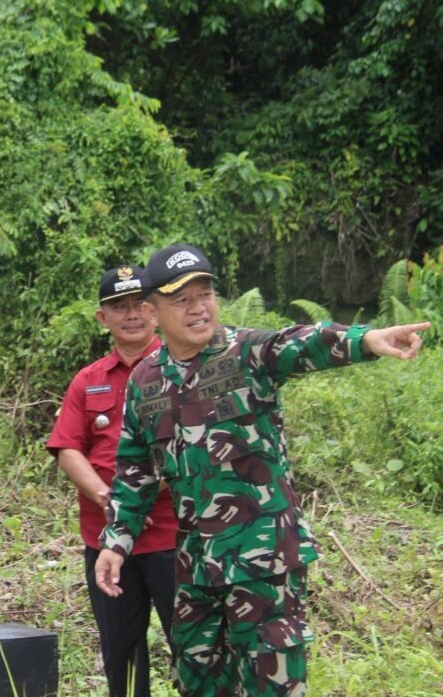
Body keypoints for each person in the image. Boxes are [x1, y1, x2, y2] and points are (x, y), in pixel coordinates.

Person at [93, 243, 430, 696]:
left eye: (205, 294)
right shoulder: (146, 381)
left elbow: (302, 342)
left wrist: (366, 340)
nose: (198, 308)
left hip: (265, 562)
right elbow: (134, 470)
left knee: (273, 686)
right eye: (181, 299)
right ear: (153, 310)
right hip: (197, 567)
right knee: (198, 683)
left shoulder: (248, 353)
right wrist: (117, 541)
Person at [46, 264, 177, 697]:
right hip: (105, 541)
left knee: (191, 647)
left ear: (156, 311)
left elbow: (188, 448)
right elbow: (67, 448)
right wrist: (107, 496)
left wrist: (132, 497)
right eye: (118, 307)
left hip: (173, 538)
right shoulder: (89, 380)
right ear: (103, 319)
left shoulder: (179, 371)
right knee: (120, 652)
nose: (132, 314)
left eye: (140, 304)